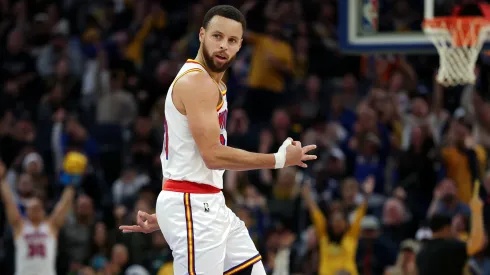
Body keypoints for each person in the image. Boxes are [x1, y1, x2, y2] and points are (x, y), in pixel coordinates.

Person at [119, 5, 317, 275]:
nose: (224, 46)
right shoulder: (197, 83)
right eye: (217, 36)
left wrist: (171, 216)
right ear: (201, 34)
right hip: (193, 205)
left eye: (232, 40)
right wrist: (279, 159)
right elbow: (212, 156)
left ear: (240, 46)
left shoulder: (213, 84)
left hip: (203, 203)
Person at [0, 152, 86, 275]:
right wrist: (2, 181)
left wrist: (72, 182)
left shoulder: (51, 225)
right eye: (32, 208)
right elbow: (9, 202)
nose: (35, 209)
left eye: (38, 207)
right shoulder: (20, 226)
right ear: (26, 212)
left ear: (43, 211)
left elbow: (63, 205)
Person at [416, 183, 484, 275]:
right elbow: (477, 244)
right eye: (451, 228)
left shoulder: (421, 254)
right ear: (446, 229)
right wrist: (477, 211)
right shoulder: (451, 247)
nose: (453, 231)